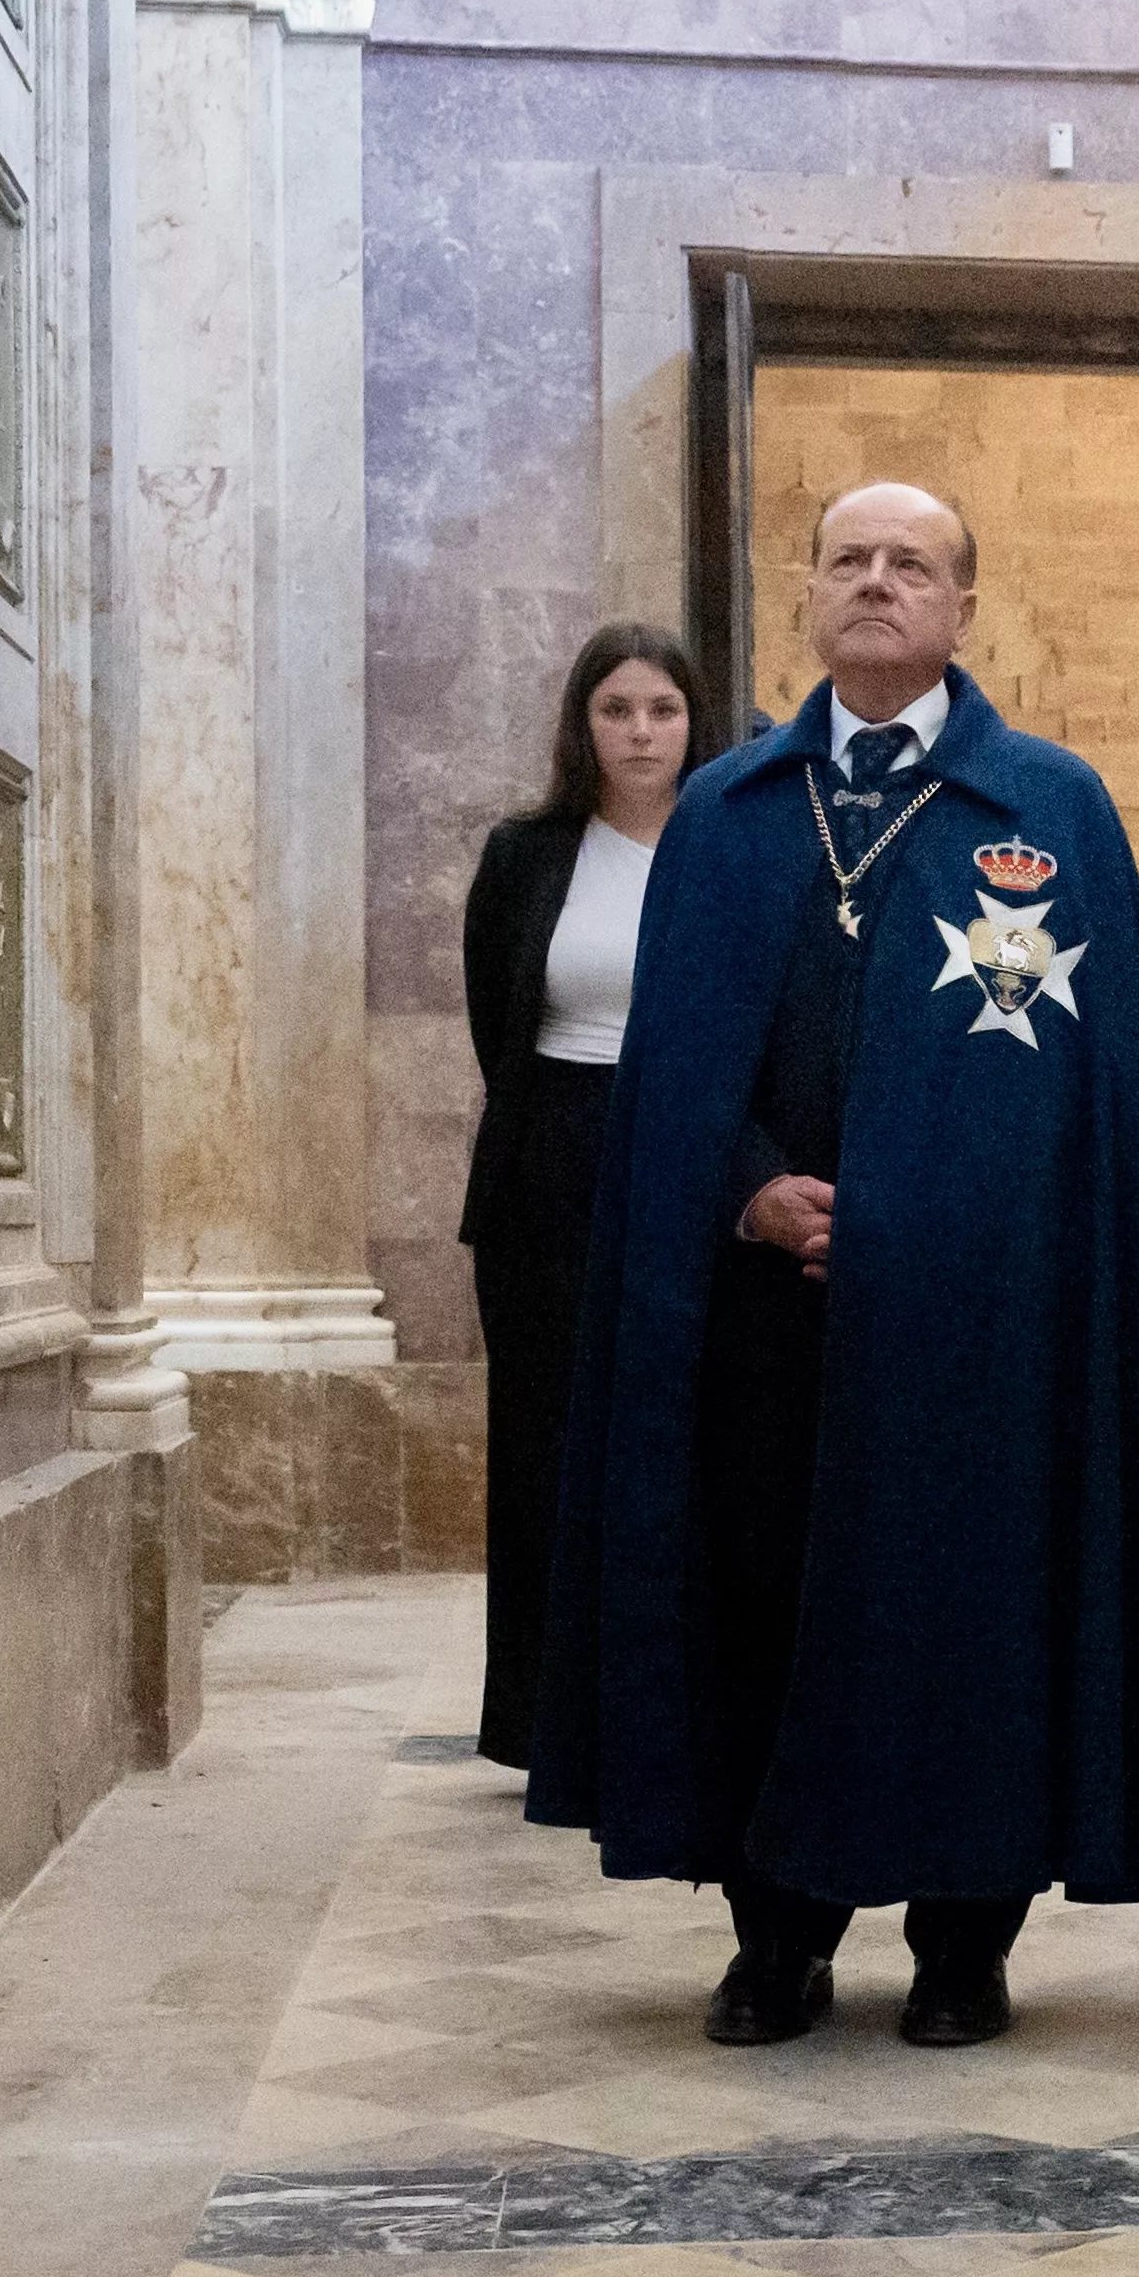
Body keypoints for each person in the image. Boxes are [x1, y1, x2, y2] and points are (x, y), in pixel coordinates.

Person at [525, 484, 1139, 2049]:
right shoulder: (727, 810)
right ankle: (777, 1937)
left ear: (966, 605)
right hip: (768, 1312)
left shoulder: (1050, 808)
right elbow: (671, 1070)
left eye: (915, 564)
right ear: (809, 598)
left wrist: (935, 1215)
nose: (879, 583)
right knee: (759, 1605)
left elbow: (1098, 1100)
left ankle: (966, 1939)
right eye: (850, 559)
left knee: (969, 1614)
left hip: (982, 1326)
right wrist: (753, 1190)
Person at [455, 623, 711, 1769]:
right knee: (548, 1441)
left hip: (691, 1152)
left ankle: (676, 1704)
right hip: (550, 1163)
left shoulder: (727, 845)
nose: (641, 733)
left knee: (681, 1431)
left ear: (694, 722)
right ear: (583, 725)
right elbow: (495, 1020)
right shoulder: (525, 852)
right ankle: (542, 1716)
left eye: (662, 709)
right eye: (617, 710)